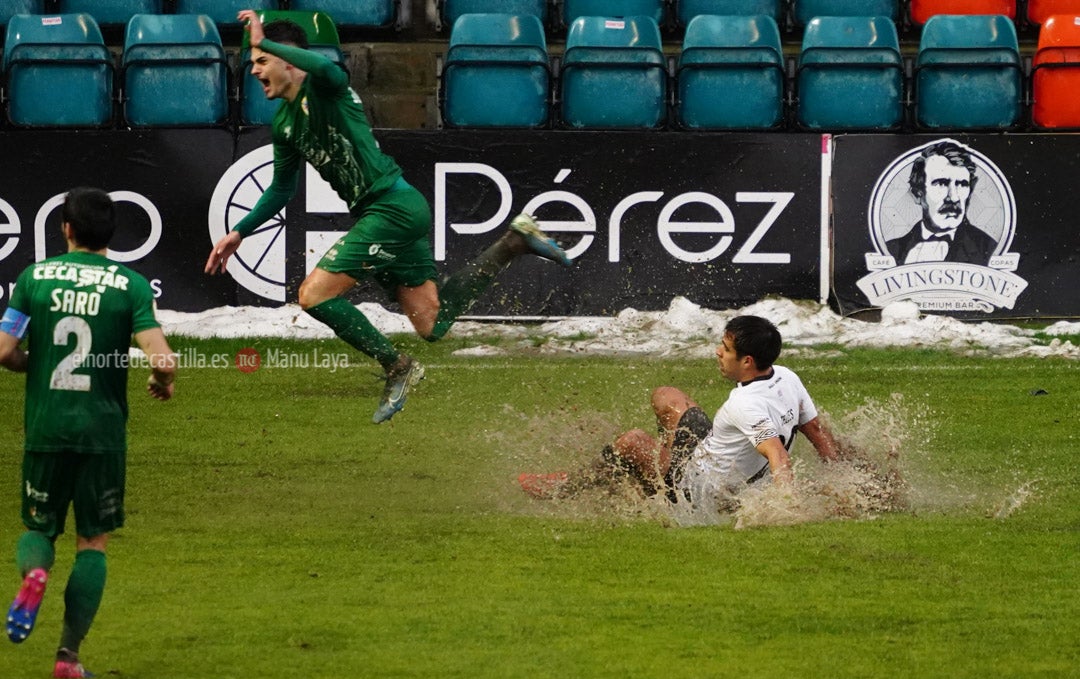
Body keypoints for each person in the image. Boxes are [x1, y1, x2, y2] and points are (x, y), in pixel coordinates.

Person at [205, 11, 572, 423]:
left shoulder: (325, 91)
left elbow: (327, 68)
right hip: (382, 212)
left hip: (391, 209)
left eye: (261, 61)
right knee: (432, 324)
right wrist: (240, 231)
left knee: (313, 295)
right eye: (254, 61)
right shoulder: (285, 124)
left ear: (287, 59)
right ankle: (514, 242)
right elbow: (281, 189)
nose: (253, 70)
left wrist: (264, 40)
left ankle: (397, 365)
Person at [0, 187, 176, 679]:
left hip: (46, 427)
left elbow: (3, 350)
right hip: (102, 433)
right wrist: (161, 381)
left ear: (66, 230)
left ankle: (35, 573)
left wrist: (32, 364)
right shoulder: (132, 286)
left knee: (39, 529)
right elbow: (162, 358)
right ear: (111, 235)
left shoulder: (33, 278)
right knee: (92, 541)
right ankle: (68, 658)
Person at [602, 315, 843, 512]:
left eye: (726, 349)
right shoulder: (786, 376)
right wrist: (841, 480)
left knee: (632, 442)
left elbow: (777, 454)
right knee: (667, 396)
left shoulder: (744, 403)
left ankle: (581, 485)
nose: (718, 352)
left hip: (700, 489)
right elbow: (816, 432)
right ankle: (655, 477)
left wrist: (788, 507)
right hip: (706, 453)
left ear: (747, 361)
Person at [886, 140, 999, 266]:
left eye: (962, 184)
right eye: (941, 183)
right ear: (917, 193)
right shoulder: (892, 250)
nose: (954, 197)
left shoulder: (988, 249)